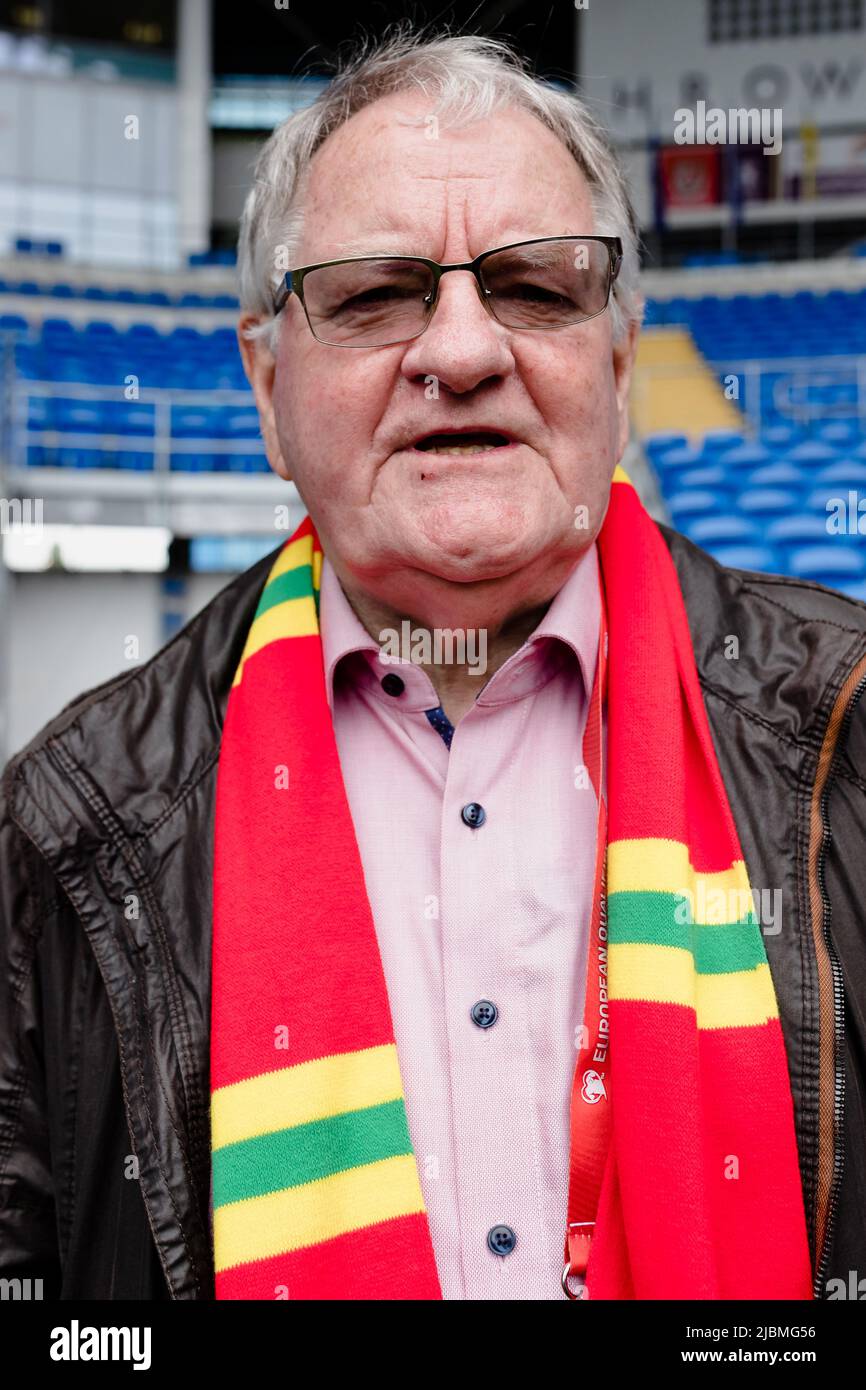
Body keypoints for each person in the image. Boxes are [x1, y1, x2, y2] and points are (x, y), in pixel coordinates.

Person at [2, 30, 865, 1302]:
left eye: (533, 285)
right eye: (372, 292)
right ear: (264, 386)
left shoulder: (849, 737)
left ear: (620, 362)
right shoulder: (64, 821)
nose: (459, 350)